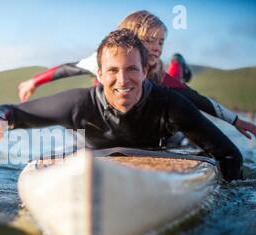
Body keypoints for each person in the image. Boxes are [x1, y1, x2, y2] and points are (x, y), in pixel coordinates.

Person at [0, 29, 242, 182]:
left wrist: (221, 195)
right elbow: (13, 111)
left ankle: (178, 66)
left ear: (145, 71)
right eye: (112, 70)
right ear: (98, 75)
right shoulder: (78, 105)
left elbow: (229, 155)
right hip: (94, 155)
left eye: (132, 69)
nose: (123, 80)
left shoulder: (169, 104)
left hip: (169, 148)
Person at [17, 10, 256, 140]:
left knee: (176, 84)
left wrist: (236, 121)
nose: (156, 47)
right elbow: (67, 68)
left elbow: (198, 100)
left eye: (161, 42)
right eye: (150, 40)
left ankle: (178, 63)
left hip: (163, 90)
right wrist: (33, 82)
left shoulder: (159, 74)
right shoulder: (104, 59)